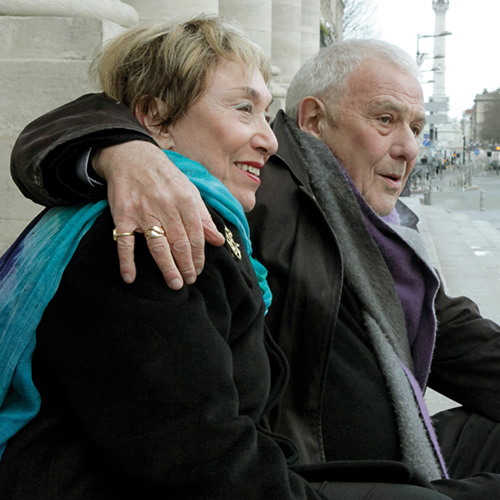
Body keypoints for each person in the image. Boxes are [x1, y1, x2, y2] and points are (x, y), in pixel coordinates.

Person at [7, 33, 500, 499]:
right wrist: (121, 150)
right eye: (385, 120)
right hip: (292, 469)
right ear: (312, 119)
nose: (409, 147)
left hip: (309, 461)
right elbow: (202, 462)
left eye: (415, 127)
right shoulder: (184, 217)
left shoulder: (325, 215)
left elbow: (447, 327)